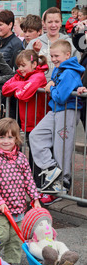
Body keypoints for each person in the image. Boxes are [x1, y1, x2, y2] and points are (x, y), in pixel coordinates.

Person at [0, 117, 41, 265]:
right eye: (2, 137)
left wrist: (34, 198)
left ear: (16, 139)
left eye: (10, 137)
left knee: (15, 239)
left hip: (18, 206)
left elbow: (29, 179)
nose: (6, 141)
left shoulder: (21, 158)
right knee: (2, 235)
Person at [29, 40, 85, 196]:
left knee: (62, 147)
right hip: (55, 110)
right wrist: (52, 84)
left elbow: (60, 96)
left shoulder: (70, 72)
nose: (53, 59)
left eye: (56, 56)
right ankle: (52, 170)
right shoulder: (60, 69)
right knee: (36, 135)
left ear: (68, 55)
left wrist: (52, 87)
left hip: (67, 111)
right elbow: (55, 88)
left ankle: (62, 182)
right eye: (51, 56)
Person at [2, 50, 48, 194]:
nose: (20, 69)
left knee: (37, 157)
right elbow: (5, 89)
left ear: (34, 64)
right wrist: (20, 86)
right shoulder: (20, 77)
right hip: (27, 123)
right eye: (18, 66)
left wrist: (18, 87)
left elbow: (23, 95)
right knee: (31, 155)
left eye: (23, 65)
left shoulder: (39, 76)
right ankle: (33, 187)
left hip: (38, 122)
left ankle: (39, 188)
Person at [26, 7, 80, 81]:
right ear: (44, 23)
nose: (53, 25)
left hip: (62, 88)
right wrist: (35, 53)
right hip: (39, 88)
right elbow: (25, 68)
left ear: (61, 23)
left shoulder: (70, 43)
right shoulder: (34, 43)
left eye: (57, 21)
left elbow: (78, 68)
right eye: (50, 22)